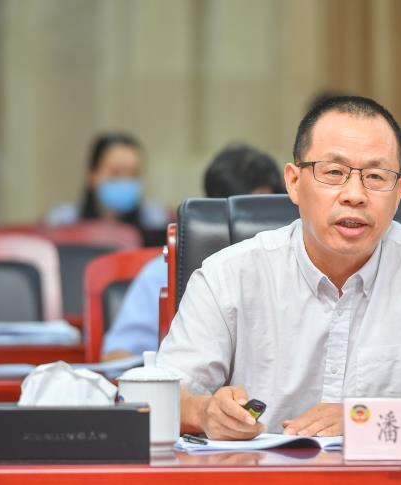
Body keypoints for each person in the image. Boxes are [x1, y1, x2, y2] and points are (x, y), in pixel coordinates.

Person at [157, 96, 401, 440]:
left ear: (398, 193)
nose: (354, 194)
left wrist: (362, 418)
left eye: (376, 177)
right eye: (334, 172)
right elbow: (159, 401)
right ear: (294, 182)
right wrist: (205, 412)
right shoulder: (228, 275)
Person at [101, 144, 285, 361]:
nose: (257, 232)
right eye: (247, 219)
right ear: (213, 214)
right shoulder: (163, 273)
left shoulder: (294, 269)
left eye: (266, 217)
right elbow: (115, 357)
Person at [46, 132, 168, 239]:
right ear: (91, 175)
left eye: (133, 173)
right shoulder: (63, 221)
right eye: (116, 173)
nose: (125, 181)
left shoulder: (154, 220)